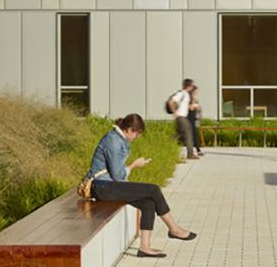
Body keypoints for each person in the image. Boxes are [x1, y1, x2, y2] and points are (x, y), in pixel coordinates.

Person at [85, 113, 197, 257]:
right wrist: (133, 166)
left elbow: (117, 173)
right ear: (129, 130)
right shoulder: (113, 140)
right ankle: (173, 229)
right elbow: (118, 175)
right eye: (137, 134)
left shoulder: (119, 139)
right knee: (153, 189)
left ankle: (144, 247)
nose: (137, 137)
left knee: (148, 203)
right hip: (101, 186)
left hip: (109, 185)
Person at [168, 78, 198, 159]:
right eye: (192, 85)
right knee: (188, 134)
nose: (193, 87)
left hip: (183, 117)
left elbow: (189, 107)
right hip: (181, 117)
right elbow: (170, 101)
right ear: (188, 86)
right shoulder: (182, 93)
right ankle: (190, 154)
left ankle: (167, 142)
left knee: (180, 134)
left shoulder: (186, 94)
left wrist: (194, 100)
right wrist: (175, 112)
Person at [187, 82, 205, 156]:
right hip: (189, 119)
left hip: (194, 119)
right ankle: (197, 150)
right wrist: (194, 105)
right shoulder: (189, 99)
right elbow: (189, 108)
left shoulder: (194, 99)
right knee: (191, 135)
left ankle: (197, 150)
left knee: (193, 135)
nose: (197, 93)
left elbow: (197, 109)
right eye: (196, 91)